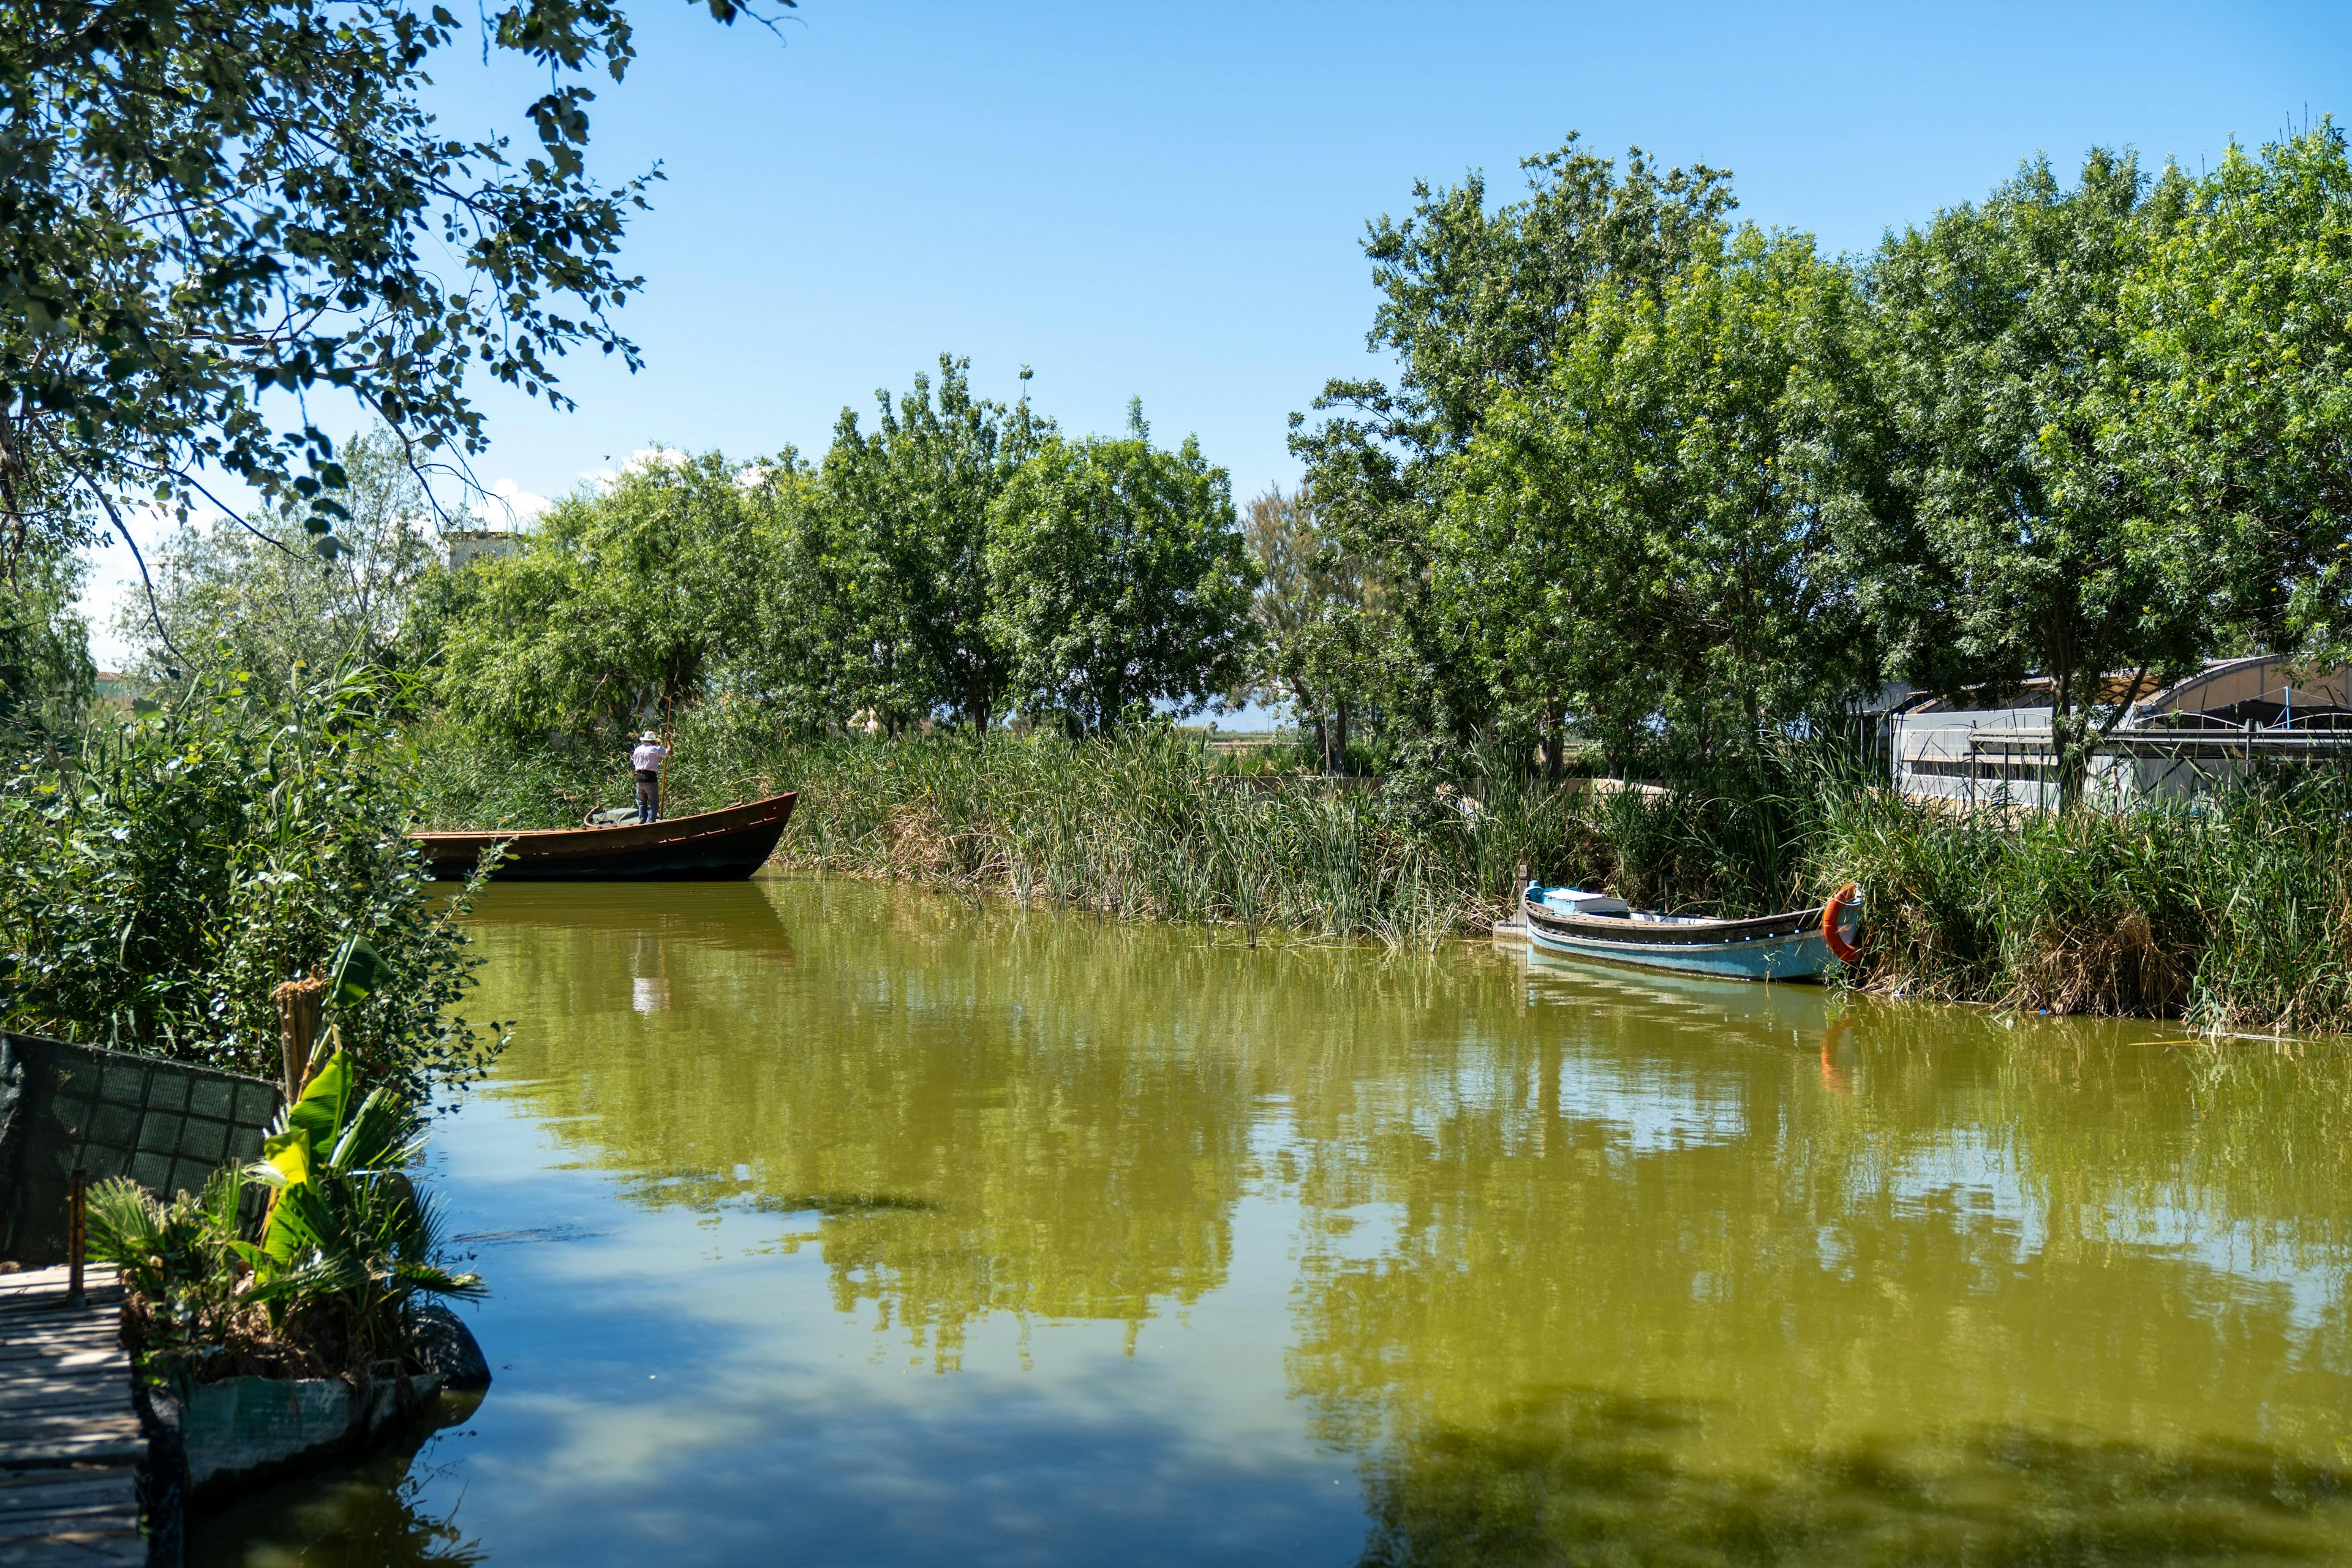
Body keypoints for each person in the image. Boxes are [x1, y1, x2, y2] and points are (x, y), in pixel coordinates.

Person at [630, 731, 671, 823]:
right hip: (650, 779)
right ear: (653, 741)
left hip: (639, 779)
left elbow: (635, 764)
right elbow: (670, 752)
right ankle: (650, 823)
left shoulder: (637, 750)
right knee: (654, 803)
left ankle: (642, 822)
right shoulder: (655, 749)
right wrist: (668, 740)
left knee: (642, 803)